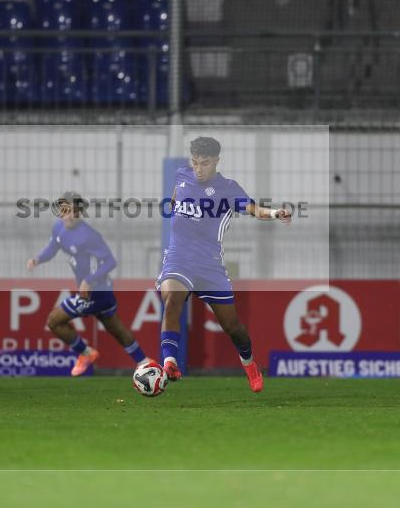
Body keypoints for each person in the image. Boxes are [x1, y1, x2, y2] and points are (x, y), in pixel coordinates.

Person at [157, 137, 291, 392]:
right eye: (195, 162)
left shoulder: (228, 189)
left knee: (232, 326)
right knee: (172, 300)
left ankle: (249, 364)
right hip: (178, 258)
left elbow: (255, 210)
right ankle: (170, 363)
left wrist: (275, 213)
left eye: (205, 163)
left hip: (209, 265)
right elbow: (175, 199)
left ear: (217, 161)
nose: (198, 169)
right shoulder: (181, 175)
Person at [27, 192, 150, 376]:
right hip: (101, 293)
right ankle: (145, 362)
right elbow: (53, 248)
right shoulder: (59, 227)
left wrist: (88, 280)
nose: (67, 215)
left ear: (80, 212)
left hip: (95, 293)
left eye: (72, 211)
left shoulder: (89, 236)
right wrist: (38, 259)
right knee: (115, 328)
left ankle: (86, 353)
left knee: (54, 321)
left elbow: (110, 262)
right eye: (64, 210)